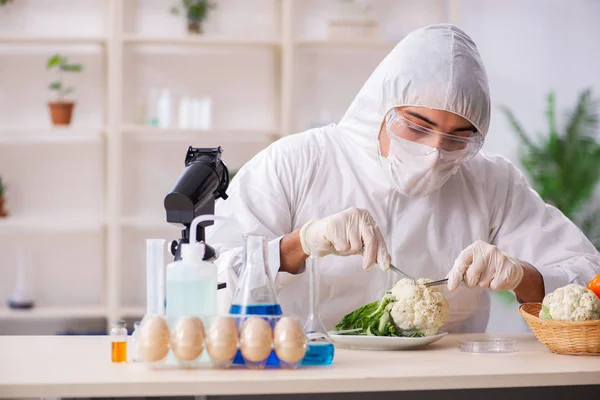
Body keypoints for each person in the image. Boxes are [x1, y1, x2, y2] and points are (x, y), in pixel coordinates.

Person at [206, 24, 600, 333]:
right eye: (417, 126)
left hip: (443, 384)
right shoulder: (295, 161)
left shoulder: (490, 181)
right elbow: (210, 279)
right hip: (307, 372)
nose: (433, 155)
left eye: (457, 139)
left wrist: (522, 276)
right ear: (380, 108)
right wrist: (299, 245)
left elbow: (587, 278)